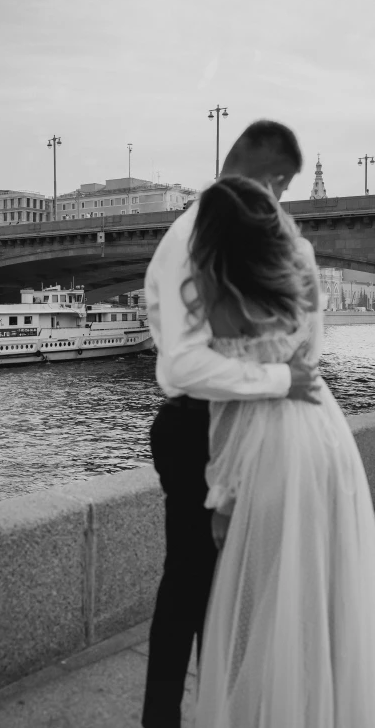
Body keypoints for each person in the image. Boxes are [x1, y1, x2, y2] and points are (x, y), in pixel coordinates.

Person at [141, 120, 320, 728]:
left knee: (209, 590)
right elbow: (185, 364)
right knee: (197, 588)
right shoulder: (203, 234)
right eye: (284, 188)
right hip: (199, 426)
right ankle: (172, 716)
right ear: (271, 178)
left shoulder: (212, 228)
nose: (281, 203)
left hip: (216, 424)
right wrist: (280, 380)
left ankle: (201, 709)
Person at [190, 176, 375, 727]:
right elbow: (310, 357)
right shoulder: (302, 271)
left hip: (271, 451)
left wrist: (222, 498)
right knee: (323, 598)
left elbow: (228, 407)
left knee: (260, 608)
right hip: (327, 437)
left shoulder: (225, 292)